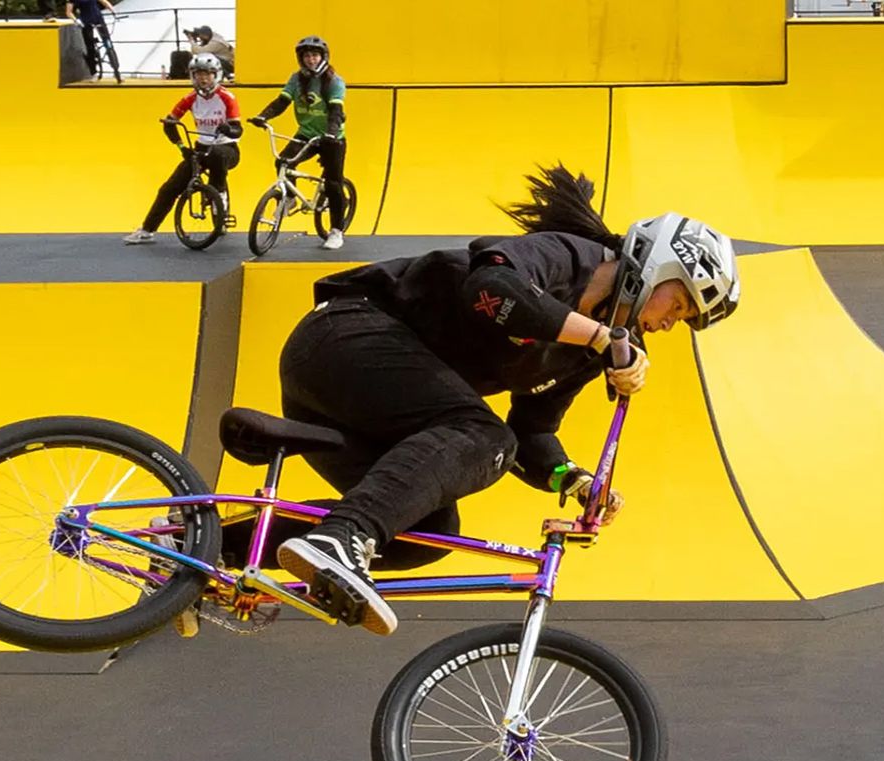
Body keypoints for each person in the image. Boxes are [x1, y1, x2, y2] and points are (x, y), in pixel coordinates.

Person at [263, 166, 742, 635]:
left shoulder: (583, 354)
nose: (668, 325)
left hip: (369, 403)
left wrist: (574, 480)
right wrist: (600, 336)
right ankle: (342, 538)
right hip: (343, 337)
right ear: (655, 268)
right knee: (479, 434)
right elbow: (489, 290)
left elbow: (531, 433)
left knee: (427, 531)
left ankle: (216, 548)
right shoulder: (570, 257)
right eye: (678, 306)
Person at [124, 54, 241, 245]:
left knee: (218, 157)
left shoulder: (227, 97)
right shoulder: (190, 99)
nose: (203, 79)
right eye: (198, 74)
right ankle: (147, 230)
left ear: (216, 75)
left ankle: (219, 199)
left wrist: (228, 128)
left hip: (226, 147)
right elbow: (169, 124)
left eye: (207, 74)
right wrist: (182, 147)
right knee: (169, 188)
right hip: (201, 148)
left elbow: (237, 130)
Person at [247, 36, 349, 250]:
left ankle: (336, 231)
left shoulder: (334, 81)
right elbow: (282, 102)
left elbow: (336, 112)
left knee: (333, 184)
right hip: (306, 134)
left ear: (323, 56)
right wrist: (263, 117)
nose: (311, 60)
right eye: (307, 56)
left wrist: (330, 134)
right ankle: (291, 198)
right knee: (283, 162)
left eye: (314, 55)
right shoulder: (297, 79)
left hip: (332, 138)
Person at [64, 0, 119, 83]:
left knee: (108, 43)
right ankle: (93, 73)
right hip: (86, 22)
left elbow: (104, 1)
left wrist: (113, 10)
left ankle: (116, 69)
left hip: (98, 19)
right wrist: (76, 21)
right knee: (90, 47)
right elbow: (69, 12)